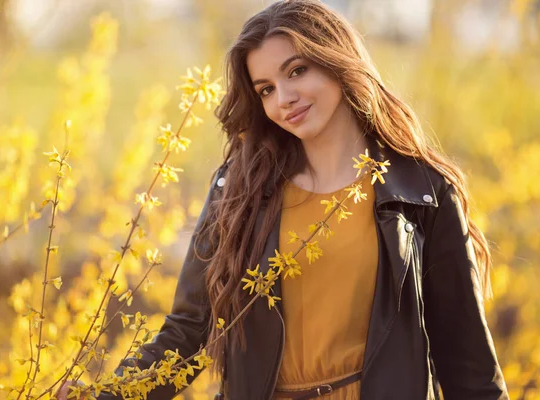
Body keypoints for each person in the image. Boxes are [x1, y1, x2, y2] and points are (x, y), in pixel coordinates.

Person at [59, 1, 510, 399]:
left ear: (336, 60)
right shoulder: (239, 191)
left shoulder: (423, 193)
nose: (284, 99)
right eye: (266, 89)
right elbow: (188, 333)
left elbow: (467, 359)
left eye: (297, 71)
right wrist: (109, 396)